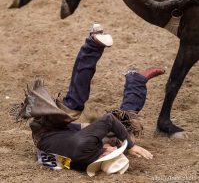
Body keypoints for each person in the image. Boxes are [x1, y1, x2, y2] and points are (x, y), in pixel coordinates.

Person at [13, 24, 165, 176]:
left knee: (74, 106)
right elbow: (43, 158)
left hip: (47, 131)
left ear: (104, 156)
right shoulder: (81, 164)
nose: (116, 151)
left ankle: (92, 45)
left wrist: (130, 146)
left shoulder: (86, 146)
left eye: (115, 153)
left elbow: (109, 120)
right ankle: (136, 81)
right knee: (123, 126)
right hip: (53, 140)